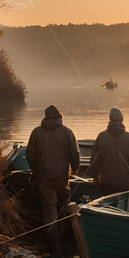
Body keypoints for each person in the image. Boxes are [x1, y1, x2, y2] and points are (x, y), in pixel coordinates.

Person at [25, 105, 80, 249]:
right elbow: (75, 154)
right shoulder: (67, 132)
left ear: (45, 117)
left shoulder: (36, 132)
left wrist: (34, 169)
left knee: (49, 209)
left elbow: (30, 155)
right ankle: (61, 237)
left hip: (43, 177)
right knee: (63, 206)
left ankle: (52, 242)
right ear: (59, 117)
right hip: (62, 176)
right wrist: (74, 168)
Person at [88, 107, 129, 195]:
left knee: (107, 207)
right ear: (122, 119)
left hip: (106, 181)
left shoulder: (101, 136)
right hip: (124, 182)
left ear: (110, 119)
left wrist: (95, 178)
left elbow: (94, 160)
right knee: (123, 205)